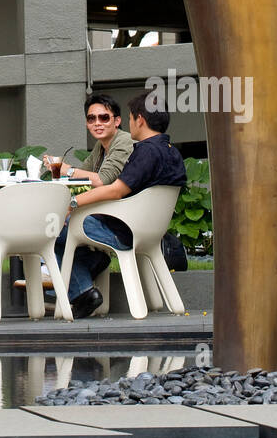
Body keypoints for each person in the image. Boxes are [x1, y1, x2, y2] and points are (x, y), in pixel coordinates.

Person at [52, 92, 187, 319]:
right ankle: (90, 268)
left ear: (140, 120)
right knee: (64, 226)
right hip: (151, 231)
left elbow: (116, 190)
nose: (130, 124)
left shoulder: (145, 151)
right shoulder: (172, 151)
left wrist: (72, 203)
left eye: (131, 118)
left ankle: (83, 292)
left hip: (122, 231)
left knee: (54, 228)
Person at [26, 94, 136, 292]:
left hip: (122, 226)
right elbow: (82, 177)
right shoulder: (101, 147)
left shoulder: (124, 142)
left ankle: (72, 283)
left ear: (117, 121)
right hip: (108, 218)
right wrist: (59, 171)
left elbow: (103, 179)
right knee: (53, 221)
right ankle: (86, 267)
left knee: (53, 226)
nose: (97, 123)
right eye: (91, 119)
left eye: (104, 118)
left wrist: (66, 169)